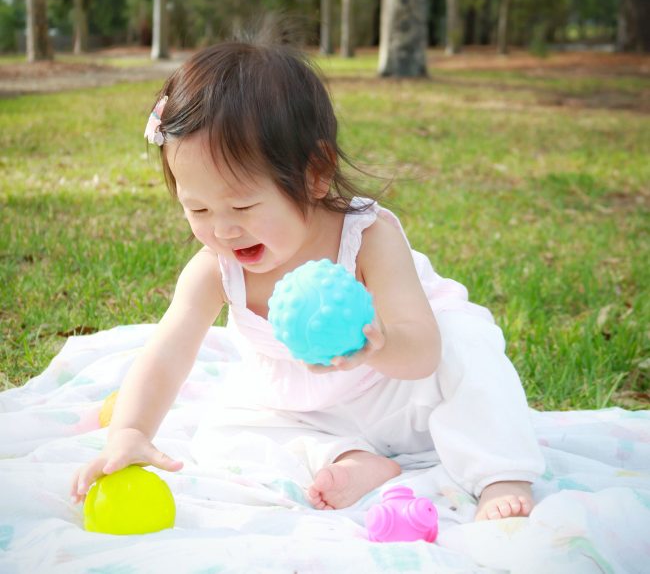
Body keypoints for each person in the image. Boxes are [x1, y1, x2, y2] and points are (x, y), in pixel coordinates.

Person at [71, 38, 544, 521]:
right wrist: (130, 432)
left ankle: (499, 472)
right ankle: (353, 460)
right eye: (198, 209)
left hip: (402, 395)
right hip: (308, 414)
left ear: (314, 174)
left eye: (242, 206)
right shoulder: (214, 269)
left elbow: (424, 351)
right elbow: (165, 356)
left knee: (467, 346)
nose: (223, 229)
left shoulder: (368, 239)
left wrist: (374, 349)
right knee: (222, 434)